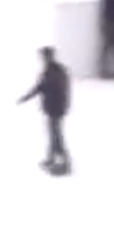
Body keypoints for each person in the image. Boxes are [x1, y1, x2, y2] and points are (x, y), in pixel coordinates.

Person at [18, 46, 72, 175]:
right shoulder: (52, 71)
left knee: (56, 136)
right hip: (53, 108)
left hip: (56, 108)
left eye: (44, 57)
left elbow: (45, 87)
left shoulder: (54, 72)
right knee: (53, 135)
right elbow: (41, 87)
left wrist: (61, 104)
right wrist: (25, 98)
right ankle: (52, 159)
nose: (42, 59)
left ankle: (64, 162)